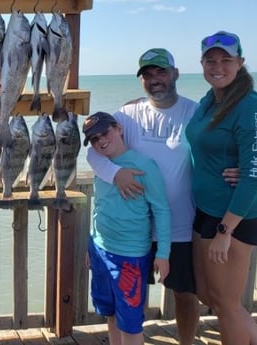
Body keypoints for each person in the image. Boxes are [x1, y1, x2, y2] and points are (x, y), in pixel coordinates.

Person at [86, 48, 201, 345]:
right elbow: (94, 151)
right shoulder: (127, 114)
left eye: (161, 72)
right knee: (124, 298)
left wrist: (235, 170)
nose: (155, 79)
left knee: (184, 293)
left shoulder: (194, 112)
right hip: (132, 231)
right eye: (147, 75)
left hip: (178, 225)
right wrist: (115, 175)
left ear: (175, 73)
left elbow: (217, 150)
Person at [186, 31, 257, 345]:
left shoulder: (248, 105)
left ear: (240, 63)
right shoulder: (210, 100)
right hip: (206, 209)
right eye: (210, 60)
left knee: (227, 304)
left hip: (233, 218)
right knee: (208, 294)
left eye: (226, 60)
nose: (218, 66)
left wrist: (225, 231)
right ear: (202, 63)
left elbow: (254, 176)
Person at [84, 111, 171, 345]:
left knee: (131, 324)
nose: (101, 140)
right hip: (100, 250)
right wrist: (91, 244)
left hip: (131, 257)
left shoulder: (144, 165)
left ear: (119, 128)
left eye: (105, 132)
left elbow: (161, 210)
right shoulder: (101, 165)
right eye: (94, 139)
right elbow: (99, 206)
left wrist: (163, 254)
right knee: (110, 313)